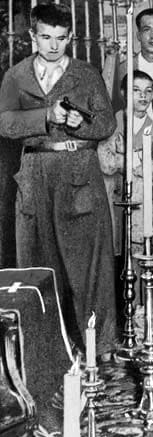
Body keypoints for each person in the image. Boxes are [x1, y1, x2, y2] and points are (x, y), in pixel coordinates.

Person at [0, 3, 117, 357]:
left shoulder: (87, 74)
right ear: (32, 36)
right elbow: (5, 123)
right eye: (46, 37)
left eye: (61, 38)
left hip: (79, 172)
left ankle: (99, 348)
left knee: (88, 267)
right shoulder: (16, 76)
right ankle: (42, 351)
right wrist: (45, 116)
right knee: (36, 262)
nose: (53, 45)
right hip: (34, 174)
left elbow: (106, 123)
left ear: (70, 38)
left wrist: (82, 125)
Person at [98, 70, 153, 255]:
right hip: (111, 199)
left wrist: (123, 155)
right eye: (136, 90)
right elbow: (105, 163)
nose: (143, 96)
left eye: (148, 91)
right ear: (124, 93)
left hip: (141, 204)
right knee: (110, 254)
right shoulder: (111, 123)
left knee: (138, 255)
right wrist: (138, 158)